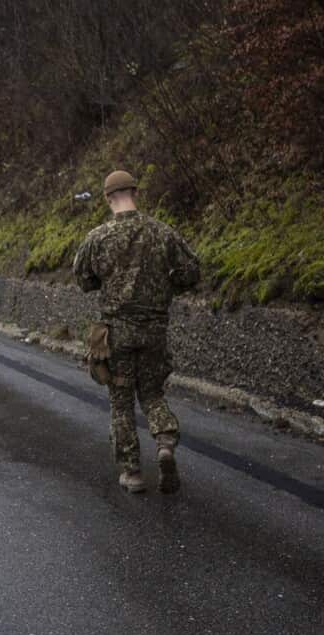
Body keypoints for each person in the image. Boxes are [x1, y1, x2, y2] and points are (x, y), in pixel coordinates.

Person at [73, 171, 200, 494]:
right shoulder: (162, 232)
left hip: (118, 332)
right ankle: (165, 443)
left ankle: (132, 472)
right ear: (135, 192)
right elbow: (191, 272)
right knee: (153, 393)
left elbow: (84, 279)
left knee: (121, 402)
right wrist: (163, 285)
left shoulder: (98, 237)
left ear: (106, 198)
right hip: (154, 329)